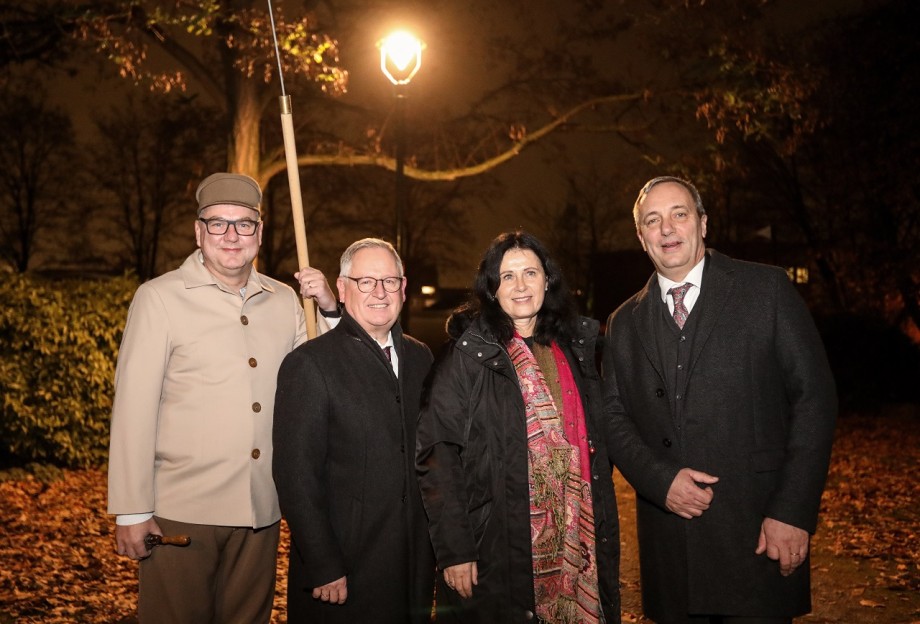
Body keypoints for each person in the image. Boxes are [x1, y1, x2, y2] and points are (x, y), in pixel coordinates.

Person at [602, 176, 838, 624]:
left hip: (756, 534)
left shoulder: (765, 290)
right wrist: (659, 480)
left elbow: (815, 399)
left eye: (679, 214)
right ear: (641, 237)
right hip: (672, 547)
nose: (667, 228)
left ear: (703, 223)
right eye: (653, 220)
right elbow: (613, 417)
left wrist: (792, 511)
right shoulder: (622, 322)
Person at [107, 172, 339, 623]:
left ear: (259, 231)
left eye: (244, 223)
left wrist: (329, 309)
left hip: (262, 509)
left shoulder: (284, 299)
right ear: (198, 231)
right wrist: (132, 509)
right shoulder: (160, 298)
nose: (231, 235)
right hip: (181, 512)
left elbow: (321, 375)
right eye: (218, 223)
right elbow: (134, 409)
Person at [416, 231, 621, 623]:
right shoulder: (467, 356)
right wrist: (456, 549)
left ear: (549, 280)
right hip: (495, 544)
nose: (521, 285)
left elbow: (597, 443)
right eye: (507, 276)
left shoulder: (576, 351)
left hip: (578, 541)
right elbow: (436, 453)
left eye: (530, 272)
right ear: (492, 289)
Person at [272, 238, 436, 623]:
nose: (380, 292)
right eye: (365, 282)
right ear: (342, 290)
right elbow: (296, 477)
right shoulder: (309, 365)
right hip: (343, 572)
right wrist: (323, 562)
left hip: (410, 568)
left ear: (404, 288)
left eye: (390, 281)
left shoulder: (421, 358)